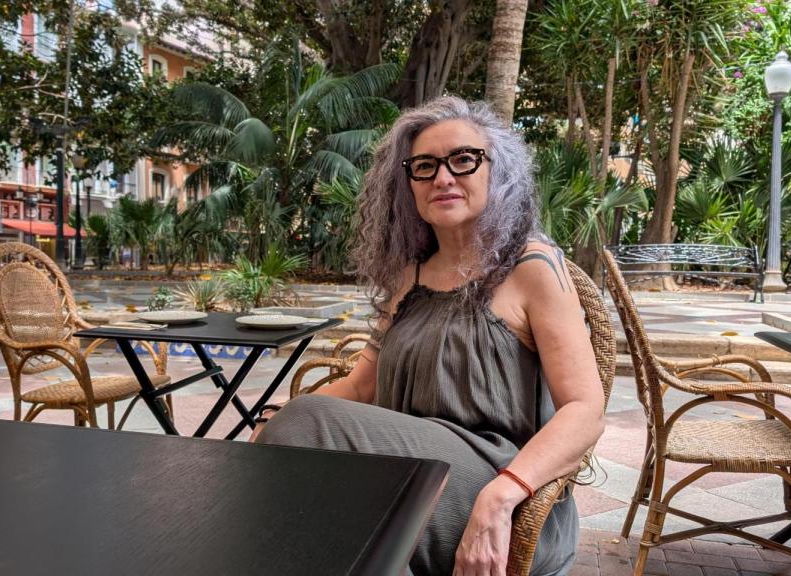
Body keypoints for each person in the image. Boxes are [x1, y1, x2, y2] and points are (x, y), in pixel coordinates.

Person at [253, 96, 605, 576]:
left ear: (495, 170)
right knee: (298, 465)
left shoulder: (532, 266)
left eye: (463, 159)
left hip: (500, 483)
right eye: (425, 166)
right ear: (408, 185)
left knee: (306, 435)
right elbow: (361, 386)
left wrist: (501, 496)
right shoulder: (409, 276)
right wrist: (273, 417)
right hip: (403, 475)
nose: (443, 178)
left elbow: (585, 411)